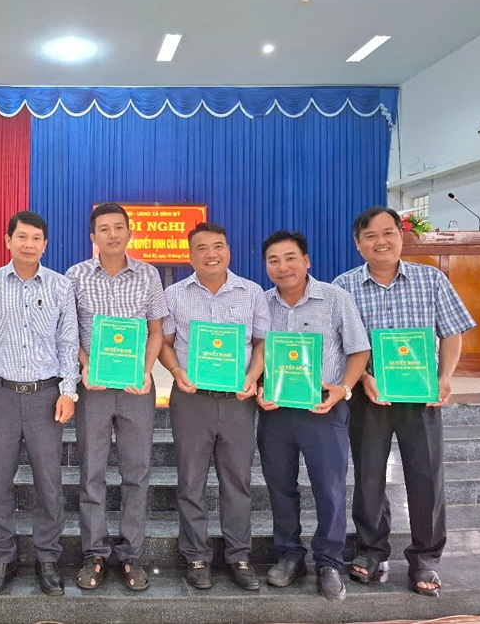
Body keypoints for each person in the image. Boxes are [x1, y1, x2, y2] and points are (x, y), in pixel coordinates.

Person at [333, 206, 475, 597]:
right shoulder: (343, 287)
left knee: (426, 476)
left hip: (421, 397)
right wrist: (362, 377)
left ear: (401, 236)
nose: (380, 242)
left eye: (388, 233)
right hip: (370, 397)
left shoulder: (432, 279)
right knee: (368, 477)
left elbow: (452, 332)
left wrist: (444, 377)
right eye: (370, 236)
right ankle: (370, 551)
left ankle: (426, 558)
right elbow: (338, 345)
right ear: (357, 243)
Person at [0, 210, 81, 597]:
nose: (28, 244)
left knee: (49, 483)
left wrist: (68, 390)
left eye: (36, 238)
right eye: (22, 237)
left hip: (46, 396)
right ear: (8, 240)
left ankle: (47, 557)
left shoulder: (61, 286)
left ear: (45, 245)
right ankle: (2, 557)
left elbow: (68, 342)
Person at [257, 230, 370, 601]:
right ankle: (289, 554)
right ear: (266, 266)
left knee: (329, 488)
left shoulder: (336, 299)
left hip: (324, 409)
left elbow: (359, 350)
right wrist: (257, 387)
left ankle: (329, 561)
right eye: (273, 260)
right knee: (280, 487)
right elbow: (253, 352)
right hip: (276, 413)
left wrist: (344, 388)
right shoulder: (261, 304)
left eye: (290, 258)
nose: (282, 267)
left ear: (306, 261)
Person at [157, 222, 268, 592]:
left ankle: (240, 556)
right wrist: (176, 371)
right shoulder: (174, 294)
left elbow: (262, 343)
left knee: (237, 481)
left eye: (218, 246)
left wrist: (253, 377)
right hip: (192, 400)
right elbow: (165, 342)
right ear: (190, 256)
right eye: (201, 248)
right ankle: (196, 556)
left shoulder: (252, 293)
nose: (211, 254)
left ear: (228, 250)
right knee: (191, 481)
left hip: (238, 402)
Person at [65, 203, 168, 592]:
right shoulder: (75, 276)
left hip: (135, 388)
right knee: (91, 470)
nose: (112, 234)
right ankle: (94, 552)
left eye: (119, 227)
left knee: (136, 472)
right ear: (93, 237)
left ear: (129, 232)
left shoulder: (148, 274)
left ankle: (131, 555)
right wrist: (85, 365)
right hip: (92, 388)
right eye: (104, 228)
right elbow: (68, 331)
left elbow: (156, 331)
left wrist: (146, 370)